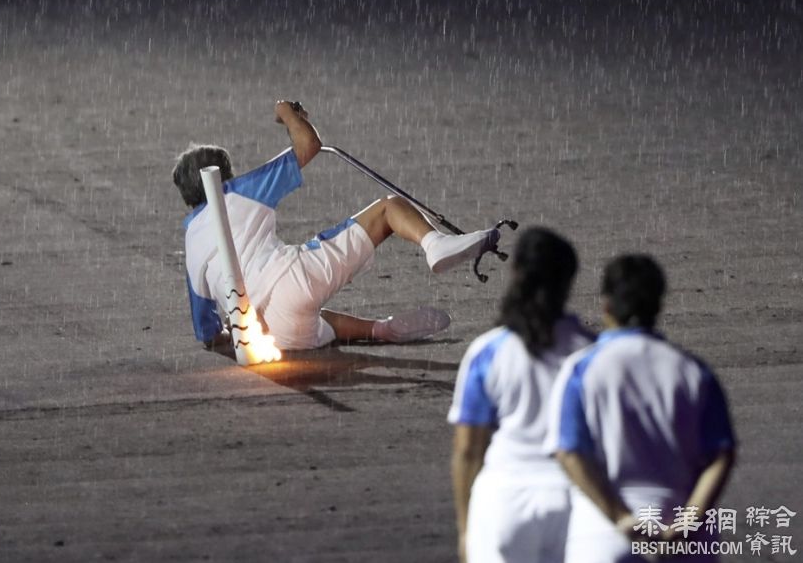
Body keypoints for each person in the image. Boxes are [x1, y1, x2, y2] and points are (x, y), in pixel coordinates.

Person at [172, 100, 500, 352]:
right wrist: (287, 112)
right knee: (387, 208)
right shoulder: (238, 191)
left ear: (188, 197)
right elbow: (308, 145)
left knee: (305, 311)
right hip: (294, 280)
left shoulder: (191, 243)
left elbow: (208, 334)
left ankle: (379, 330)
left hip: (273, 334)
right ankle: (435, 245)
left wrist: (242, 331)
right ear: (225, 176)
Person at [546, 254, 736, 563]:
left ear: (606, 305)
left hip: (603, 536)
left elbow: (570, 453)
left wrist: (621, 517)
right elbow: (721, 456)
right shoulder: (692, 370)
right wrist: (687, 522)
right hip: (684, 541)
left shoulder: (582, 368)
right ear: (658, 305)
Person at [448, 227, 595, 563]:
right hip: (574, 501)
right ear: (569, 281)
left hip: (504, 502)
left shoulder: (488, 352)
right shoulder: (592, 353)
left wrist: (465, 529)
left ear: (516, 275)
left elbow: (467, 451)